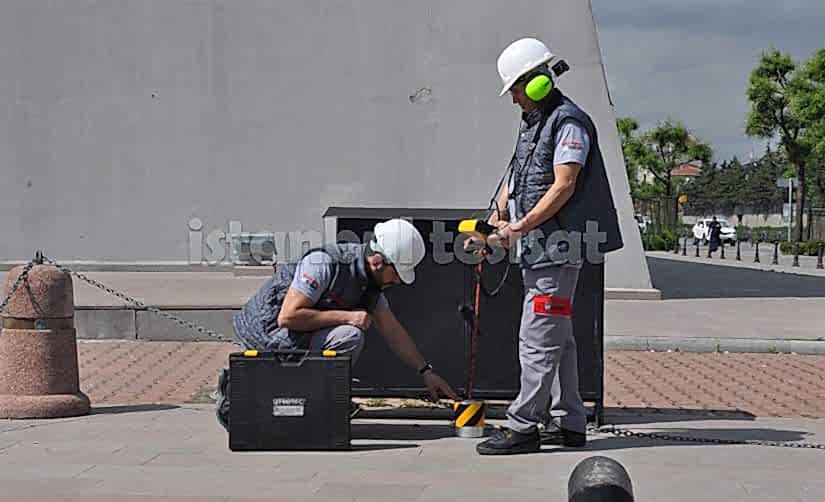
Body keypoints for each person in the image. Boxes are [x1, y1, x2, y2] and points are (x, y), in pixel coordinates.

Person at [470, 38, 624, 455]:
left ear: (537, 82)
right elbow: (518, 177)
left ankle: (523, 427)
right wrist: (495, 219)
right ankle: (570, 423)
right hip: (538, 251)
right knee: (560, 339)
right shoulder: (534, 121)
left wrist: (517, 228)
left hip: (556, 251)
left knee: (537, 339)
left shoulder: (569, 123)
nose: (514, 98)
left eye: (516, 89)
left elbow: (564, 185)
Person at [216, 218, 458, 430]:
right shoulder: (323, 264)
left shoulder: (371, 285)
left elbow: (393, 330)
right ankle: (288, 397)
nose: (398, 280)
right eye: (396, 272)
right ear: (377, 261)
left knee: (348, 335)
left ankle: (314, 402)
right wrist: (347, 316)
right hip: (267, 332)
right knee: (349, 334)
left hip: (296, 334)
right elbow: (288, 317)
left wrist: (425, 371)